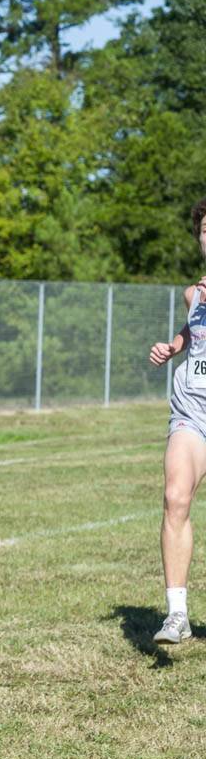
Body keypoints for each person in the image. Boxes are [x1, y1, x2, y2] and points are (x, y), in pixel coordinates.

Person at [148, 196, 206, 645]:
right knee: (174, 497)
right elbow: (194, 332)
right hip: (192, 409)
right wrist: (174, 345)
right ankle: (177, 614)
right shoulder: (194, 292)